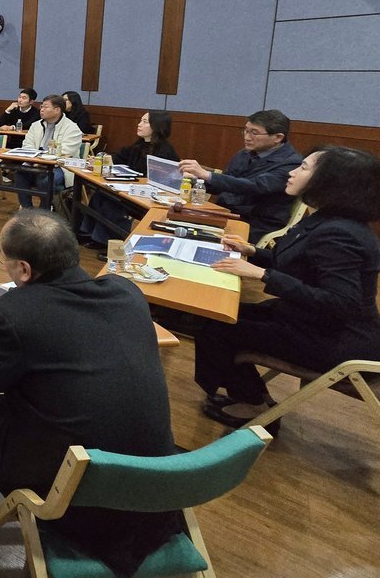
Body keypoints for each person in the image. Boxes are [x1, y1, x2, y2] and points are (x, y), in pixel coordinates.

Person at [0, 210, 178, 578]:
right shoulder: (126, 293)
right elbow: (65, 321)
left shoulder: (15, 315)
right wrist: (10, 297)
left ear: (23, 269)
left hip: (78, 501)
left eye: (4, 260)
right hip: (156, 491)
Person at [196, 146, 380, 426]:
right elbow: (301, 263)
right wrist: (252, 251)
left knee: (219, 330)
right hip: (309, 320)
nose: (292, 172)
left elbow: (341, 302)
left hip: (335, 340)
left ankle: (253, 404)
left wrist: (263, 275)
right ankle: (252, 396)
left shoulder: (340, 233)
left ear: (331, 182)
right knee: (216, 316)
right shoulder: (327, 219)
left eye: (303, 168)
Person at [179, 109, 302, 242]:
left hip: (255, 223)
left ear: (278, 137)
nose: (247, 137)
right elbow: (225, 183)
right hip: (227, 212)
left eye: (254, 133)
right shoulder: (245, 153)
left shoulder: (291, 164)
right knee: (176, 223)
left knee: (189, 234)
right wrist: (193, 180)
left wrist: (207, 175)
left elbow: (255, 186)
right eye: (246, 131)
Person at [80, 111, 179, 246]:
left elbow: (160, 181)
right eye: (140, 120)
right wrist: (101, 159)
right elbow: (120, 156)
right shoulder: (140, 144)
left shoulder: (164, 151)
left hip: (146, 197)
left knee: (110, 203)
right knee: (99, 196)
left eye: (145, 122)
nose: (139, 124)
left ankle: (110, 243)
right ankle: (89, 234)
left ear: (156, 126)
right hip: (130, 190)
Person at [13, 94, 82, 208]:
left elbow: (65, 152)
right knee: (20, 174)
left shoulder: (72, 128)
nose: (42, 109)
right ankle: (27, 209)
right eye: (41, 106)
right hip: (35, 162)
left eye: (46, 107)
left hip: (60, 167)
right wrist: (36, 161)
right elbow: (27, 145)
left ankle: (44, 211)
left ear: (57, 110)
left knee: (46, 180)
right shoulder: (36, 125)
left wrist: (42, 161)